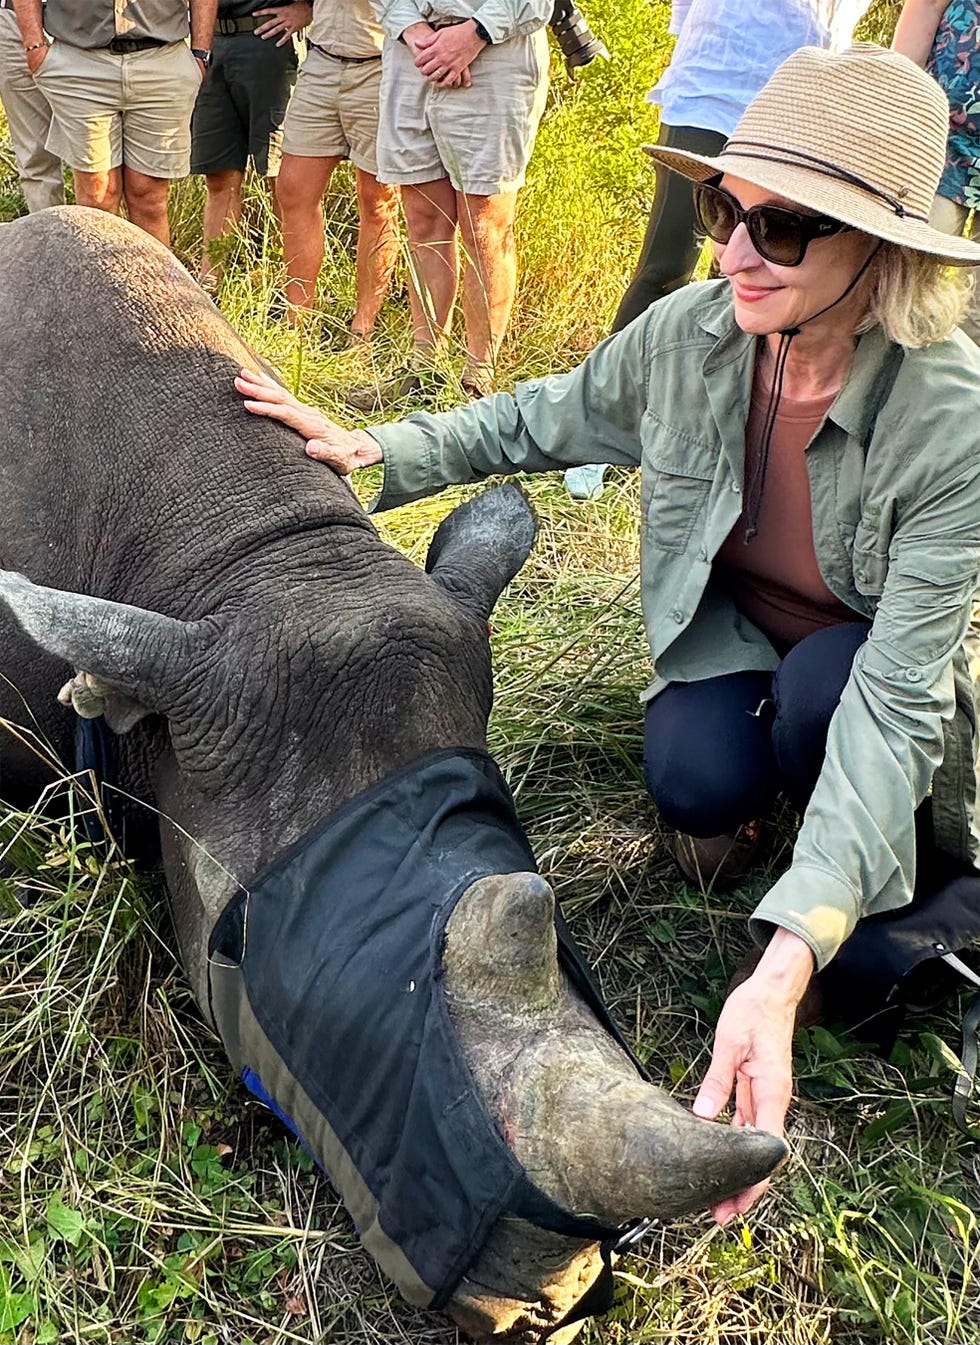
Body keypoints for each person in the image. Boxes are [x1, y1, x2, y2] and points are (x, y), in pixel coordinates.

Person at [235, 45, 980, 1220]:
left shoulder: (951, 421)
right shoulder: (690, 335)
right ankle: (788, 830)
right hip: (734, 642)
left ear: (879, 253)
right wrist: (386, 449)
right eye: (722, 207)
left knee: (833, 716)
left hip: (859, 679)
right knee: (688, 775)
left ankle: (892, 902)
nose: (733, 252)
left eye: (782, 229)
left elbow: (897, 699)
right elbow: (546, 415)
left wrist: (784, 962)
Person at [566, 0, 869, 500]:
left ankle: (707, 429)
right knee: (667, 263)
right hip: (713, 88)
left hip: (801, 107)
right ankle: (600, 422)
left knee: (755, 278)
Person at [350, 0, 552, 406]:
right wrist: (416, 33)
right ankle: (423, 369)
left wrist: (473, 34)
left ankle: (478, 379)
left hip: (497, 53)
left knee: (484, 225)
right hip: (412, 54)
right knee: (423, 219)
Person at [13, 0, 216, 247]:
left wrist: (201, 53)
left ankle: (151, 285)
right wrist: (34, 45)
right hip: (80, 61)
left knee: (149, 197)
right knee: (96, 197)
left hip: (162, 59)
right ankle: (94, 285)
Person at [274, 0, 400, 346]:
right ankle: (297, 326)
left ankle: (362, 331)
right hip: (322, 59)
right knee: (293, 189)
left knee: (378, 200)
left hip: (381, 64)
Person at [191, 0, 308, 298]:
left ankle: (290, 293)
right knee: (219, 176)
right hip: (211, 43)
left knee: (282, 178)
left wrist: (309, 10)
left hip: (270, 43)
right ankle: (209, 286)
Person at [893, 0, 980, 342]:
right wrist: (898, 108)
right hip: (941, 136)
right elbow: (926, 5)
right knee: (905, 278)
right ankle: (882, 381)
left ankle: (962, 392)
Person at [0, 0, 63, 211]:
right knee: (35, 155)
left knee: (105, 160)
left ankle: (115, 241)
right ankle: (49, 239)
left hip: (94, 24)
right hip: (15, 20)